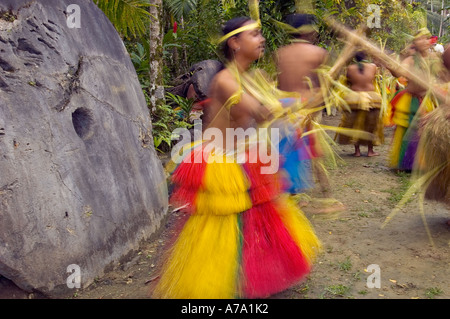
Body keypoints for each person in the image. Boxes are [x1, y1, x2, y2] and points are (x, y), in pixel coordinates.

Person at [151, 17, 321, 299]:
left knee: (257, 214)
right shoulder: (227, 81)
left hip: (243, 154)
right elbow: (262, 112)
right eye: (254, 34)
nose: (261, 39)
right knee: (225, 220)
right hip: (220, 159)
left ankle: (254, 274)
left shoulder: (246, 78)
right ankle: (218, 278)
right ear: (235, 43)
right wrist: (299, 102)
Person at [387, 28, 437, 171]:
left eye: (427, 38)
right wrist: (391, 67)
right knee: (406, 129)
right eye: (420, 39)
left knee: (424, 131)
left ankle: (421, 163)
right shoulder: (410, 59)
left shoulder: (433, 58)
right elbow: (399, 71)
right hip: (410, 99)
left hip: (426, 99)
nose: (424, 41)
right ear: (415, 42)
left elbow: (441, 74)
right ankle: (403, 164)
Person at [335, 51, 384, 157]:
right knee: (371, 124)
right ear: (366, 56)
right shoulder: (373, 66)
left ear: (354, 58)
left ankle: (357, 151)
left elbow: (348, 81)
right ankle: (370, 151)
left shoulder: (349, 68)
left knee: (355, 125)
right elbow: (376, 79)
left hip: (354, 98)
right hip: (372, 98)